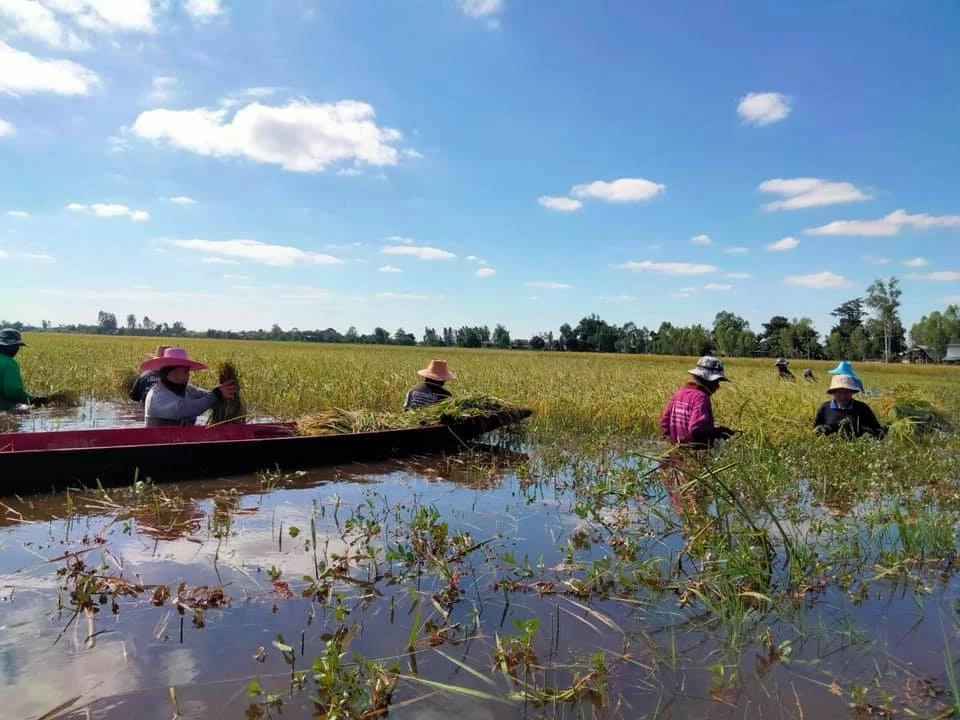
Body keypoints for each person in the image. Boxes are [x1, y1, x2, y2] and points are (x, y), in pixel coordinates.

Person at [141, 348, 237, 427]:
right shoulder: (156, 396)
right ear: (171, 373)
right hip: (161, 445)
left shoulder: (188, 390)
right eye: (185, 372)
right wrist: (216, 394)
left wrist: (224, 394)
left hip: (182, 442)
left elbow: (206, 397)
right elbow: (183, 410)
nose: (188, 375)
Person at [660, 356, 737, 449]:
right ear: (705, 380)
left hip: (675, 451)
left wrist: (677, 441)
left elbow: (664, 425)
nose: (717, 386)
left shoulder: (679, 393)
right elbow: (697, 430)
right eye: (716, 381)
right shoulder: (701, 397)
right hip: (694, 456)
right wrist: (719, 432)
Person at [814, 375, 885, 439]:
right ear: (833, 393)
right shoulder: (825, 408)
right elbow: (816, 430)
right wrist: (823, 429)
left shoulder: (862, 408)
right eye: (840, 392)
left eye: (846, 392)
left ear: (852, 392)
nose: (843, 396)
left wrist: (866, 434)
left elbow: (877, 431)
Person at [0, 328, 49, 411]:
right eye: (16, 346)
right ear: (12, 347)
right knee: (24, 410)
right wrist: (33, 400)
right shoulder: (9, 364)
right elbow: (13, 392)